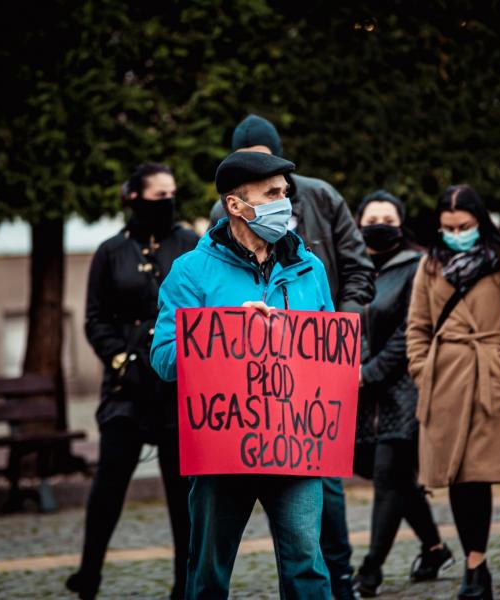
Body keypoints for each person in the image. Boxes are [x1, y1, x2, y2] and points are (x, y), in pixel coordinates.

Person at [151, 152, 333, 599]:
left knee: (307, 564)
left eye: (285, 194)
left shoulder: (309, 268)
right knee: (209, 569)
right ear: (236, 205)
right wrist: (231, 327)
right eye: (272, 194)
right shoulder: (190, 272)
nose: (284, 202)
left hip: (295, 440)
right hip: (222, 448)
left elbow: (329, 353)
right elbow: (164, 357)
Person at [210, 114, 373, 598]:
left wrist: (336, 339)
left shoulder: (320, 196)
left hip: (313, 383)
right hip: (250, 399)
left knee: (327, 494)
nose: (269, 184)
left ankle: (341, 582)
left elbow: (359, 270)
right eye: (253, 169)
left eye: (273, 171)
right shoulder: (222, 225)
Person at [67, 162, 198, 600]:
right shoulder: (110, 251)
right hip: (127, 385)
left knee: (184, 496)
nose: (168, 203)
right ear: (134, 198)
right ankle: (90, 573)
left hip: (177, 385)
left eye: (172, 195)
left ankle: (186, 584)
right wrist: (120, 358)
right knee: (110, 482)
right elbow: (94, 318)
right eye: (159, 195)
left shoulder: (190, 243)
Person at [406, 184, 500, 600]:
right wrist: (422, 370)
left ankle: (475, 566)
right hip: (444, 381)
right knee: (457, 479)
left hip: (486, 380)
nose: (456, 233)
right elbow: (417, 328)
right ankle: (473, 564)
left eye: (463, 226)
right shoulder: (429, 264)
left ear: (480, 222)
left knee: (477, 476)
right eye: (448, 227)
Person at [351, 190, 453, 597]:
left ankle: (369, 571)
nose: (379, 223)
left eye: (388, 218)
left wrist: (370, 372)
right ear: (358, 224)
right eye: (372, 217)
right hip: (357, 391)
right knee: (386, 474)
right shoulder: (350, 269)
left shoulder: (416, 267)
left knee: (388, 478)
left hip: (402, 389)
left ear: (401, 224)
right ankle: (435, 547)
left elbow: (409, 330)